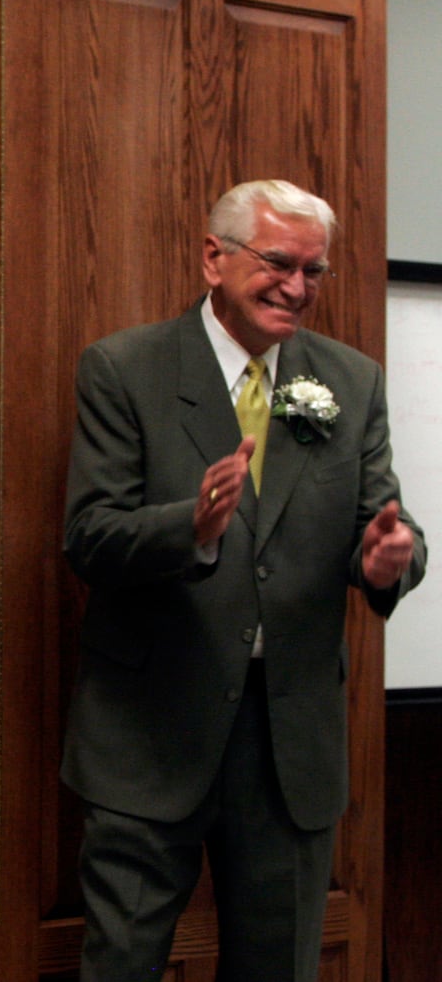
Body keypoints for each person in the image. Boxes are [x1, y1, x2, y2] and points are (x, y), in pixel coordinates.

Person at [61, 179, 425, 980]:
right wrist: (187, 527)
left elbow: (387, 519)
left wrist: (390, 560)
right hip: (150, 736)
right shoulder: (125, 369)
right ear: (212, 258)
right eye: (279, 263)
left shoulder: (349, 382)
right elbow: (88, 538)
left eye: (315, 271)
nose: (298, 288)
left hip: (288, 745)